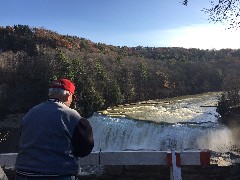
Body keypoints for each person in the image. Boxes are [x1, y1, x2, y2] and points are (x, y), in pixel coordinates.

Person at [14, 78, 94, 180]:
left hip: (23, 174)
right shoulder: (72, 116)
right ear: (68, 95)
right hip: (58, 175)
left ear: (51, 94)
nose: (71, 101)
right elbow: (86, 147)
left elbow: (22, 140)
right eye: (72, 97)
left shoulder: (30, 113)